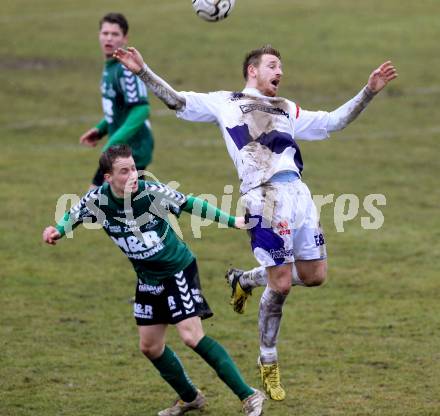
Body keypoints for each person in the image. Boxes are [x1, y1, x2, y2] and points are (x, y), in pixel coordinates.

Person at [113, 45, 398, 401]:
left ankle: (244, 279)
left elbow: (332, 121)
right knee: (281, 285)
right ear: (252, 70)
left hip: (299, 196)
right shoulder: (226, 101)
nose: (280, 71)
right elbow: (177, 101)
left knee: (315, 275)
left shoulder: (287, 108)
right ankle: (268, 359)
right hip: (263, 197)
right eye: (273, 65)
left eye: (281, 66)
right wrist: (143, 71)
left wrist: (368, 91)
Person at [42, 145, 266, 416]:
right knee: (150, 347)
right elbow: (73, 216)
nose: (133, 175)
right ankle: (191, 397)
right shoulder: (97, 201)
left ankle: (248, 395)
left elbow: (189, 203)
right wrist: (58, 231)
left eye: (134, 168)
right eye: (124, 171)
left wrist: (233, 221)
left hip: (177, 270)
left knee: (191, 336)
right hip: (147, 277)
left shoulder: (151, 194)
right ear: (108, 178)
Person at [79, 13, 154, 189]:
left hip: (132, 151)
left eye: (115, 34)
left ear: (125, 38)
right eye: (105, 33)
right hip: (118, 151)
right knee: (101, 204)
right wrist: (100, 130)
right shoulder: (111, 67)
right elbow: (118, 109)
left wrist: (114, 141)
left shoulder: (127, 69)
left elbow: (141, 109)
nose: (109, 38)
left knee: (98, 202)